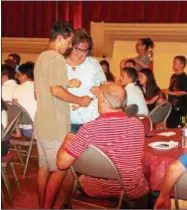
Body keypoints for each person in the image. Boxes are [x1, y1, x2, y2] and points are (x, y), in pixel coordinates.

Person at [57, 83, 150, 208]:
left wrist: (67, 140)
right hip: (132, 189)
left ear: (104, 102)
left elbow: (61, 163)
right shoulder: (138, 125)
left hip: (97, 189)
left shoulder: (89, 128)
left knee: (68, 169)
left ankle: (66, 204)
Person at [34, 21, 92, 209]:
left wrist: (67, 86)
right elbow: (55, 90)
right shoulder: (57, 59)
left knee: (43, 169)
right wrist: (80, 100)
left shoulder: (41, 57)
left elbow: (40, 93)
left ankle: (42, 205)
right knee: (61, 169)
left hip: (42, 123)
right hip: (55, 125)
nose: (69, 47)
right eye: (68, 42)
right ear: (60, 38)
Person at [65, 28, 107, 134]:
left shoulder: (93, 64)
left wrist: (99, 92)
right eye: (77, 49)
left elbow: (104, 87)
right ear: (70, 46)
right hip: (67, 119)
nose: (81, 54)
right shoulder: (60, 64)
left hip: (91, 118)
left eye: (85, 50)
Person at [13, 62, 36, 138]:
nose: (17, 78)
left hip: (26, 131)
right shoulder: (41, 88)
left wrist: (18, 133)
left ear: (25, 76)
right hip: (40, 130)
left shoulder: (16, 89)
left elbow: (14, 111)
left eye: (19, 75)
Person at [165, 56, 187, 128]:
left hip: (181, 109)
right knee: (170, 126)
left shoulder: (184, 77)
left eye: (175, 63)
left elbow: (184, 92)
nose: (173, 65)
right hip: (172, 108)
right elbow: (171, 89)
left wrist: (170, 93)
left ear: (182, 65)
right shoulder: (173, 76)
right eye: (173, 63)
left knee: (181, 126)